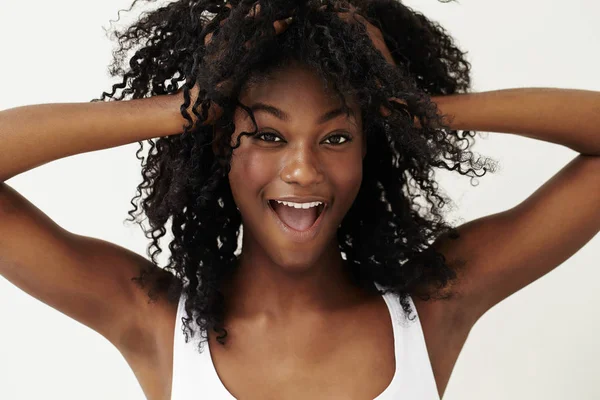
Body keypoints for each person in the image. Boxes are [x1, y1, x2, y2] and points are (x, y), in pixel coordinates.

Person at [1, 0, 598, 399]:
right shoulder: (153, 321)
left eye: (336, 136)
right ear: (219, 143)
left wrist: (412, 108)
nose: (302, 168)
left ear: (370, 149)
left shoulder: (430, 309)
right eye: (267, 134)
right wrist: (191, 105)